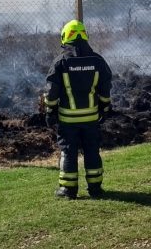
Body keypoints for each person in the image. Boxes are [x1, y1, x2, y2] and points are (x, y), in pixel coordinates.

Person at [43, 19, 112, 199]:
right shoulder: (98, 61)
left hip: (68, 120)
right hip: (91, 119)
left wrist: (50, 112)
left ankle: (68, 190)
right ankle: (96, 189)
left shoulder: (60, 63)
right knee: (92, 151)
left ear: (65, 37)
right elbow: (105, 88)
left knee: (68, 151)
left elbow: (51, 93)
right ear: (85, 36)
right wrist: (104, 108)